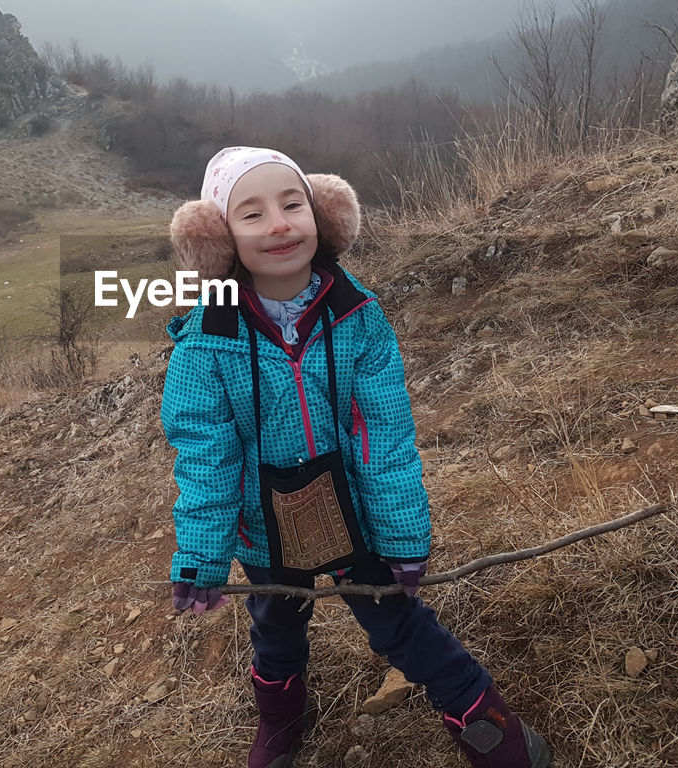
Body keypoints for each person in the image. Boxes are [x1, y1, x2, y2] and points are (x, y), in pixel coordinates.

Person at [160, 147, 552, 768]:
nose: (280, 225)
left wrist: (401, 537)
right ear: (220, 237)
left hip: (352, 518)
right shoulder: (207, 343)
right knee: (276, 627)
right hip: (264, 530)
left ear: (323, 213)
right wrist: (203, 558)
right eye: (252, 214)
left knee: (397, 621)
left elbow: (383, 436)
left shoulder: (359, 319)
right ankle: (282, 716)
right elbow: (207, 457)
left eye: (293, 205)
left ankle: (482, 715)